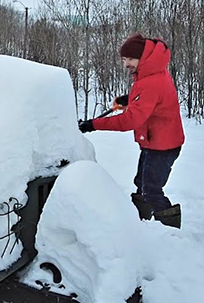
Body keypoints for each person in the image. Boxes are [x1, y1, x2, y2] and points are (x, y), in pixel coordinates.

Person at [78, 33, 185, 228]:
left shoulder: (150, 82)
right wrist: (131, 98)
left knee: (150, 190)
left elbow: (129, 121)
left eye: (130, 59)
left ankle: (171, 235)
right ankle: (139, 226)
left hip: (162, 145)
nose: (126, 63)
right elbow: (153, 99)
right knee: (142, 184)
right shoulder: (153, 71)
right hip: (157, 141)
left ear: (143, 58)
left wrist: (93, 125)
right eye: (124, 59)